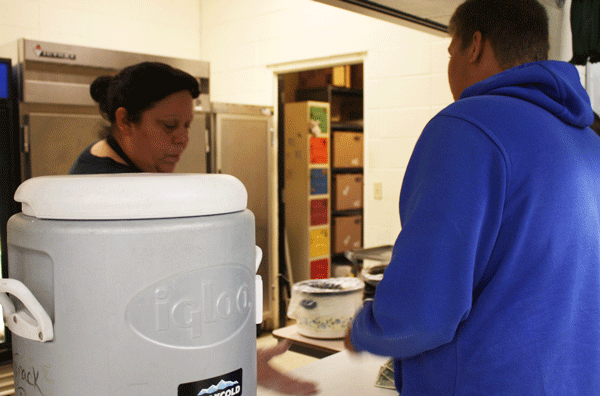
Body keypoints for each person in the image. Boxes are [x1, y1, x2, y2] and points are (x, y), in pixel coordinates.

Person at [344, 0, 600, 395]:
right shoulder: (588, 141)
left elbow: (424, 308)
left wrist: (365, 328)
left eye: (451, 51)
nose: (450, 66)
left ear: (475, 45)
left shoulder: (465, 127)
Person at [71, 61, 319, 396]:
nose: (183, 140)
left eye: (187, 125)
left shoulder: (121, 171)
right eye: (170, 126)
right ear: (125, 121)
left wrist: (235, 356)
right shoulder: (108, 191)